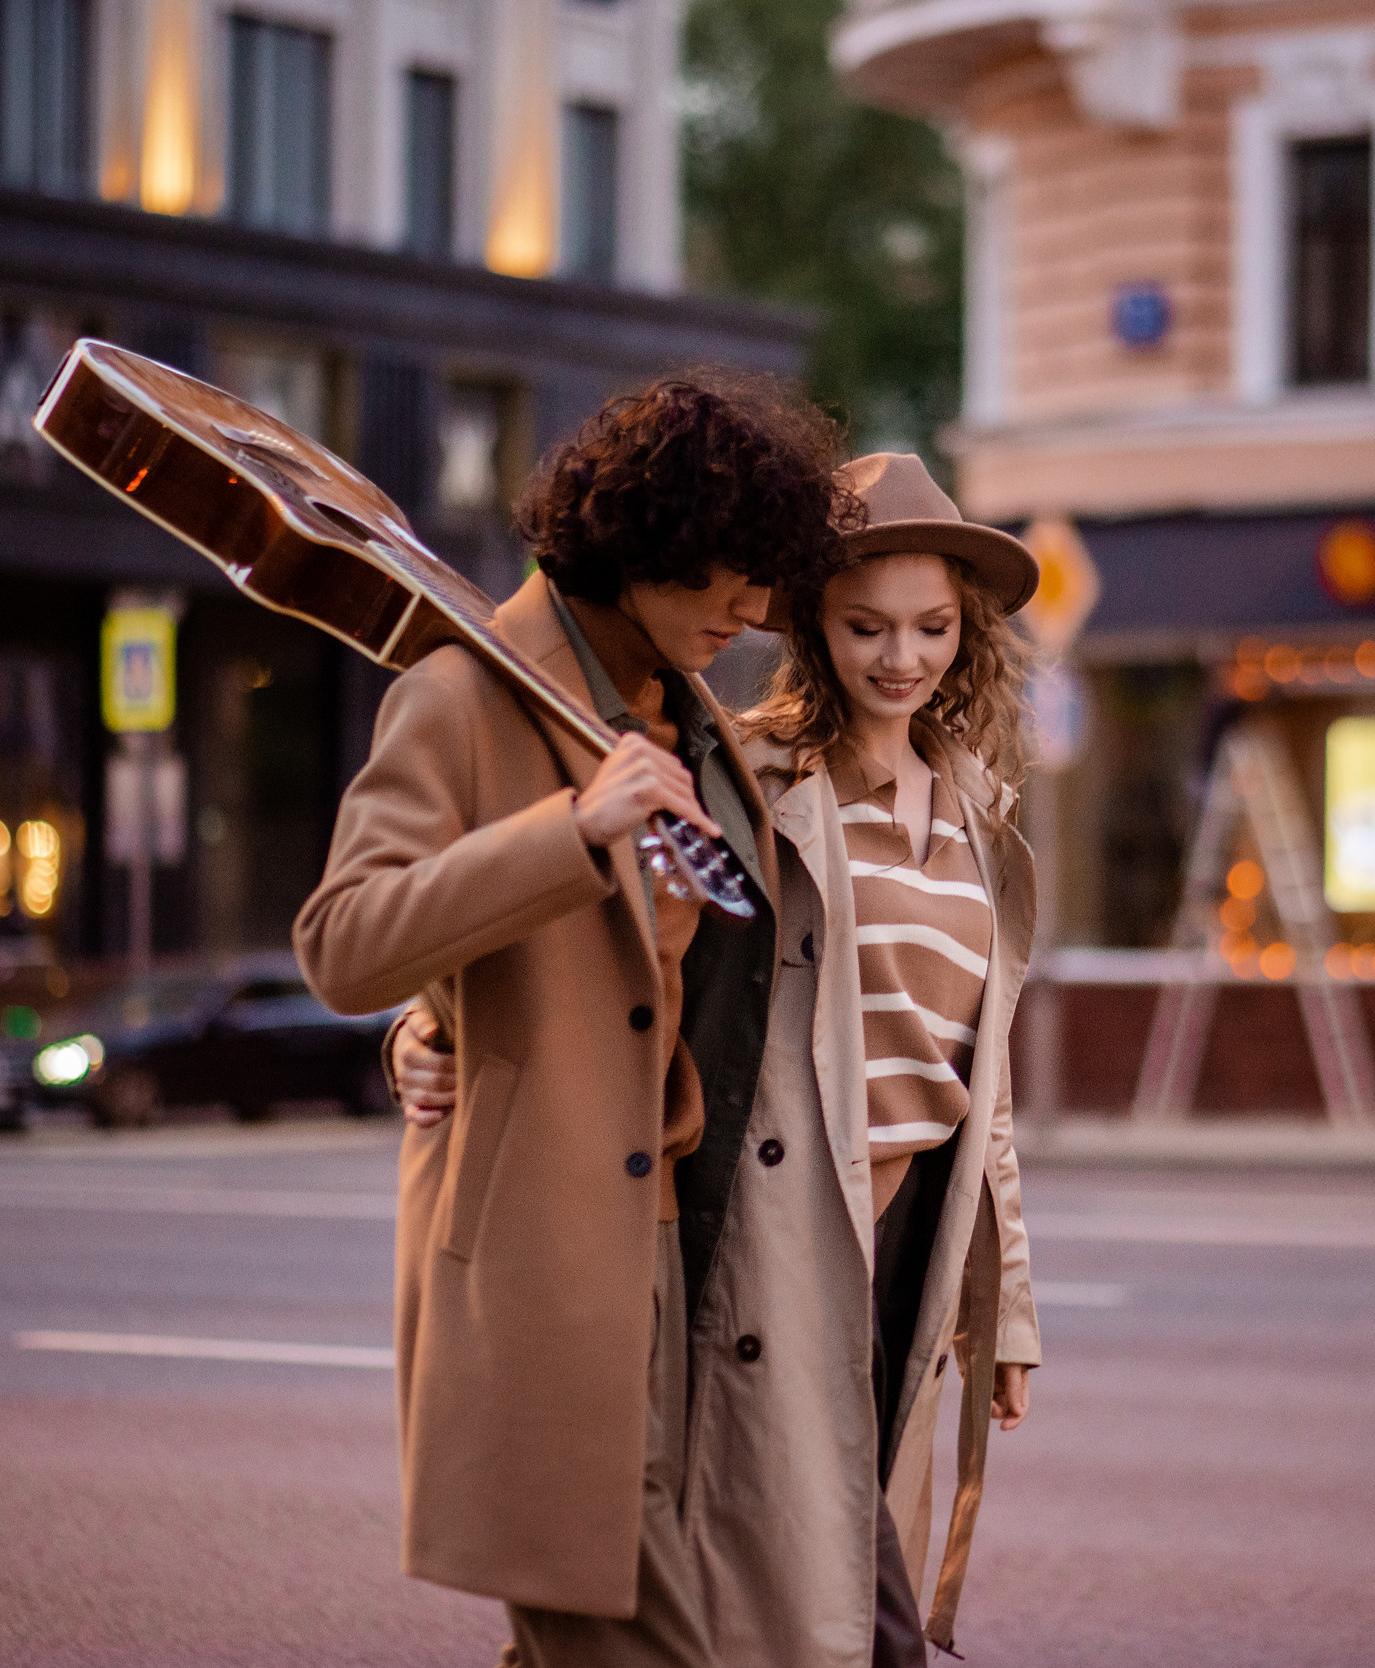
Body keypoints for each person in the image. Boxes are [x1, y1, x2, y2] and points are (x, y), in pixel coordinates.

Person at [293, 372, 850, 1668]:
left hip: (678, 1243)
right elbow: (343, 943)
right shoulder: (462, 693)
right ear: (644, 538)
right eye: (728, 572)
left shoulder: (694, 718)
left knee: (586, 1630)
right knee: (629, 1634)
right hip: (538, 1256)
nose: (755, 610)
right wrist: (566, 832)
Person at [682, 452, 1043, 1668]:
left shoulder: (979, 812)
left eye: (932, 627)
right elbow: (623, 954)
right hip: (782, 1236)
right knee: (846, 1614)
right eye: (865, 625)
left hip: (910, 1248)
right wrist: (433, 1031)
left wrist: (1006, 1311)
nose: (902, 657)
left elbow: (980, 1088)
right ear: (810, 628)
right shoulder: (753, 777)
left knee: (827, 1586)